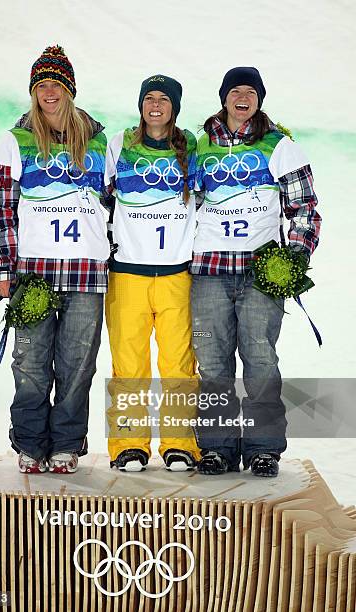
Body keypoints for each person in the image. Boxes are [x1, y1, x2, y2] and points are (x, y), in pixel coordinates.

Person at [191, 67, 321, 477]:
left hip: (259, 272)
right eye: (235, 91)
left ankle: (264, 447)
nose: (243, 97)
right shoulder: (198, 145)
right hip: (209, 270)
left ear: (259, 99)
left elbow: (304, 209)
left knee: (260, 359)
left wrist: (293, 260)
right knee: (212, 363)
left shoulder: (278, 145)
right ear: (224, 98)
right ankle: (217, 447)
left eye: (251, 91)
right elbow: (180, 204)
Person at [0, 45, 110, 474]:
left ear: (69, 89)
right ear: (33, 91)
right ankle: (29, 443)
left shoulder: (98, 141)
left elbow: (115, 204)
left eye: (56, 84)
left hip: (86, 272)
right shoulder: (16, 140)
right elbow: (3, 209)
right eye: (41, 85)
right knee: (31, 363)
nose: (48, 92)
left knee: (77, 365)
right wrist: (5, 269)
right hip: (35, 272)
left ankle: (66, 444)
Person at [105, 75, 201, 472]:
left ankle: (179, 444)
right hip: (128, 272)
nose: (156, 105)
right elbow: (98, 196)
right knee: (129, 362)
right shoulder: (119, 145)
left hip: (176, 273)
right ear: (141, 105)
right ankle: (129, 445)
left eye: (164, 99)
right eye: (149, 98)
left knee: (179, 362)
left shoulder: (191, 147)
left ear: (174, 107)